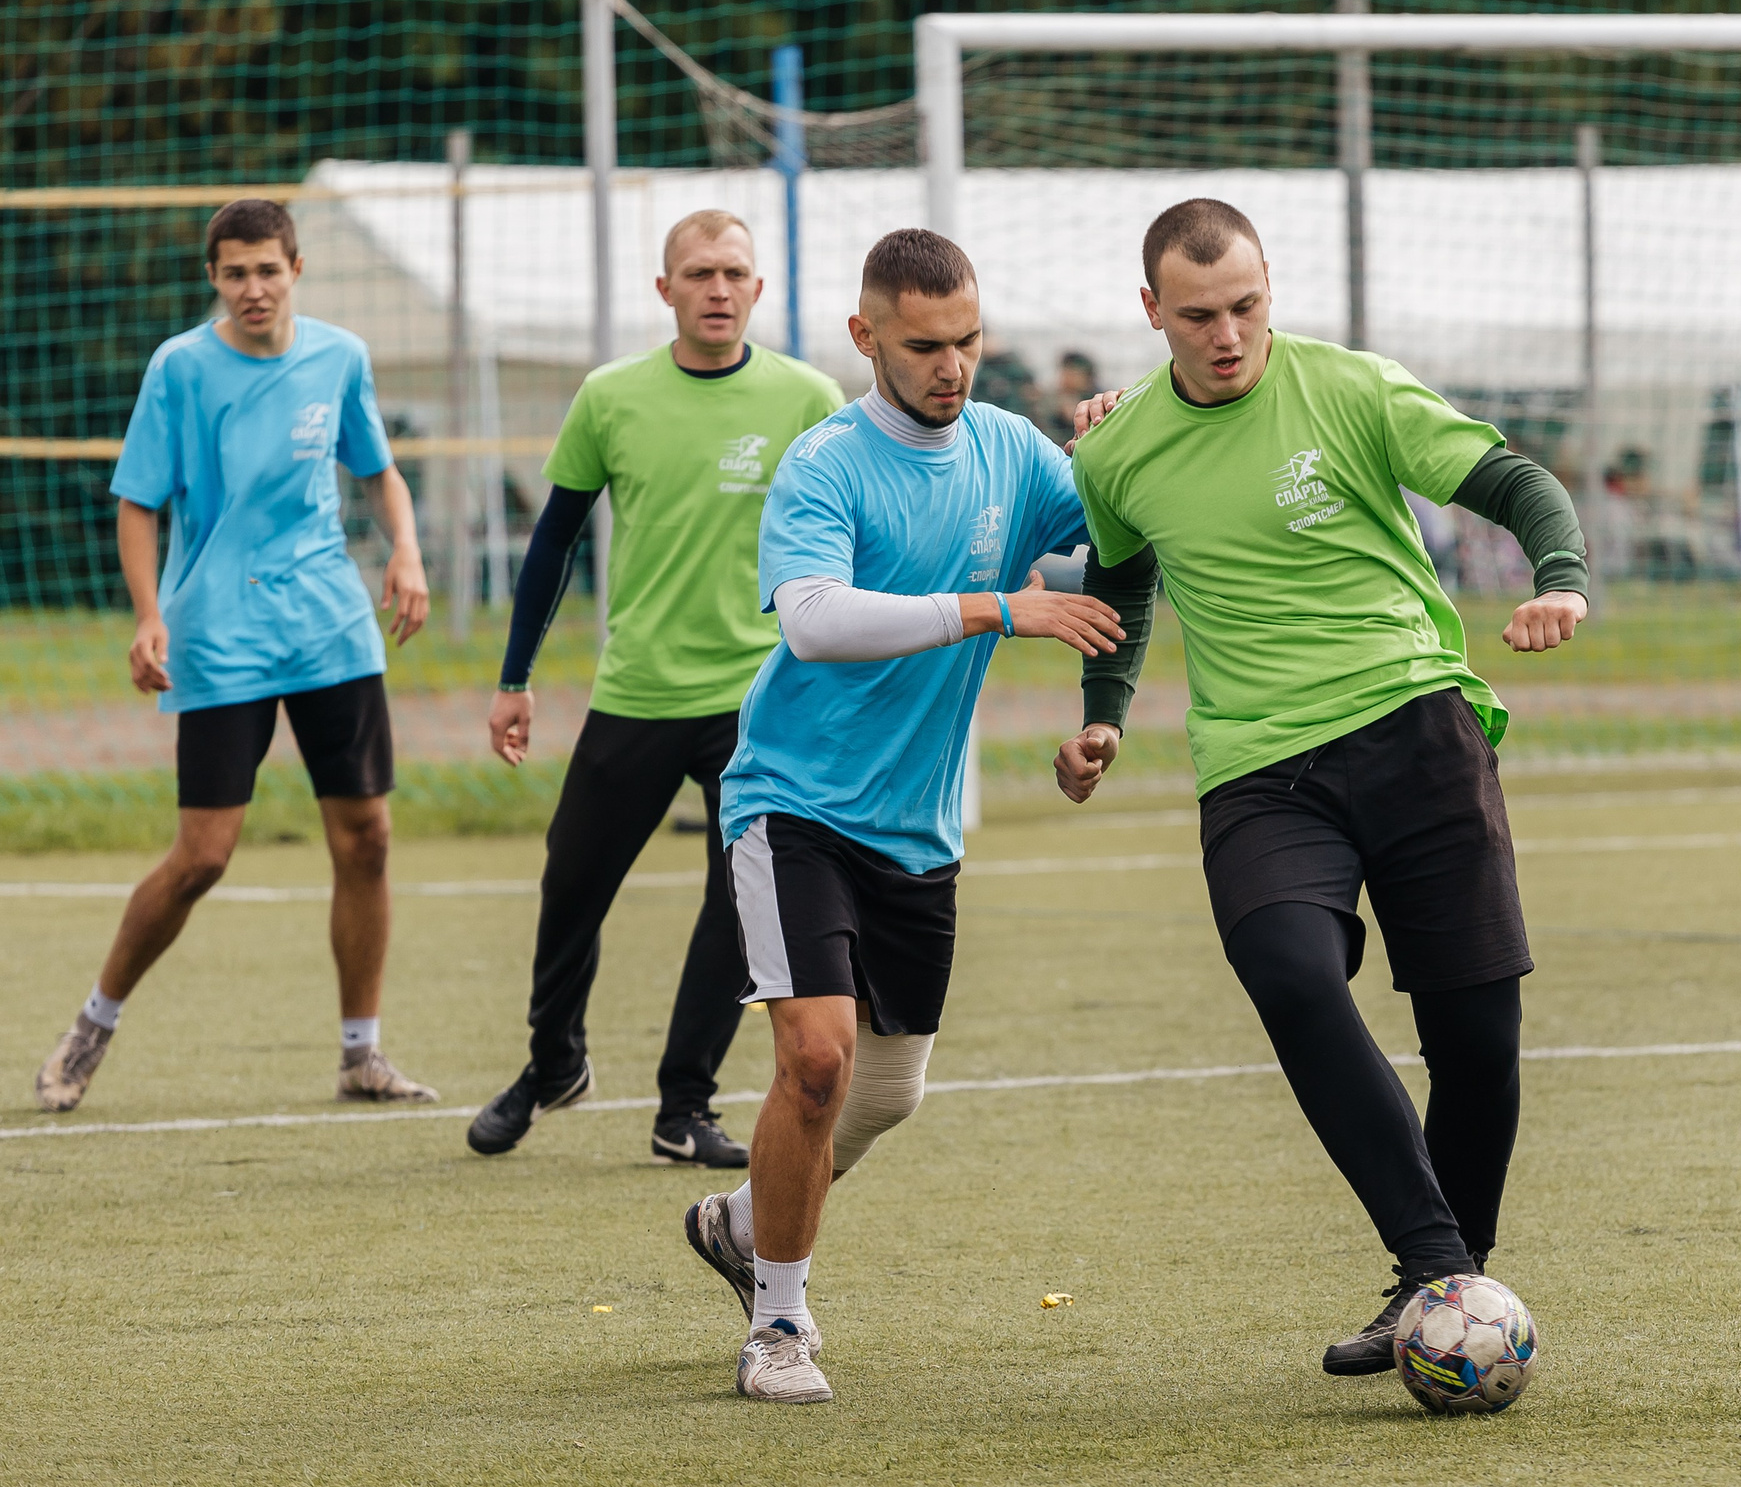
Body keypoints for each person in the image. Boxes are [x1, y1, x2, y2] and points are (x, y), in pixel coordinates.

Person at [1055, 198, 1590, 1380]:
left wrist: (1559, 577)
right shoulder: (1116, 449)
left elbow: (1513, 482)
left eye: (1246, 305)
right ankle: (1439, 1270)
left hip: (1415, 724)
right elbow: (1125, 585)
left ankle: (1436, 1287)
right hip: (1259, 767)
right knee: (1288, 969)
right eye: (1198, 316)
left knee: (1477, 1039)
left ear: (1267, 292)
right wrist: (1102, 720)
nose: (1227, 334)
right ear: (1153, 314)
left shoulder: (1350, 388)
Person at [680, 229, 1122, 1403]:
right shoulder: (824, 463)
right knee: (815, 1062)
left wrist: (1133, 444)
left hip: (916, 828)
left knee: (885, 1093)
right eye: (924, 345)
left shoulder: (1014, 452)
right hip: (793, 804)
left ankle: (737, 1224)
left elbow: (1119, 552)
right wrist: (995, 608)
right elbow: (817, 620)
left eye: (970, 340)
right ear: (864, 336)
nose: (952, 365)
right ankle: (779, 1322)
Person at [36, 198, 437, 1112]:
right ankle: (93, 1022)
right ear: (213, 278)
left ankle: (361, 1053)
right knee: (203, 856)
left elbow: (378, 471)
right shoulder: (180, 368)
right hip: (217, 635)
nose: (253, 287)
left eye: (268, 268)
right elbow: (138, 502)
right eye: (234, 272)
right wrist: (148, 615)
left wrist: (405, 549)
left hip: (330, 628)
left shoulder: (340, 356)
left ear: (296, 267)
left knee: (367, 838)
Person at [465, 211, 844, 1166]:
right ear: (664, 289)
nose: (719, 288)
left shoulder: (808, 398)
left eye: (735, 273)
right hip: (636, 691)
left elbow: (856, 535)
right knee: (571, 888)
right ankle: (553, 1065)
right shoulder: (610, 397)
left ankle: (686, 1106)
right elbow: (552, 538)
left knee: (738, 903)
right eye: (699, 273)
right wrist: (515, 677)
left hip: (760, 700)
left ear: (759, 290)